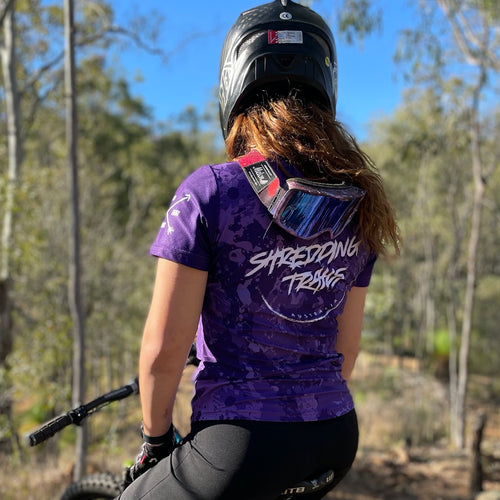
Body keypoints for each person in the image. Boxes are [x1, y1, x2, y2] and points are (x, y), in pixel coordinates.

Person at [118, 1, 399, 499]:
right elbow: (346, 348)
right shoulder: (360, 204)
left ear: (233, 86)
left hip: (239, 448)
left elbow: (162, 354)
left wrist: (156, 439)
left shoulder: (211, 193)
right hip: (334, 437)